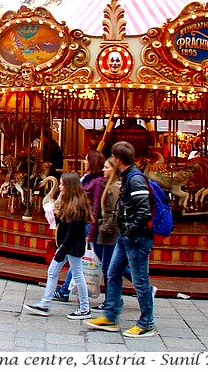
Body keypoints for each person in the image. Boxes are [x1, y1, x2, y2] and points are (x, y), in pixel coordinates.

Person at [86, 141, 156, 338]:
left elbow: (143, 211)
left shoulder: (135, 180)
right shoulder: (127, 178)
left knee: (140, 281)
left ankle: (146, 323)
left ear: (118, 159)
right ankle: (110, 316)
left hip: (136, 238)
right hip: (125, 237)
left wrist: (129, 231)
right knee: (112, 272)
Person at [23, 172, 92, 320]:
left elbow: (72, 233)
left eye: (62, 184)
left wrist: (62, 250)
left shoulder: (77, 207)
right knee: (53, 271)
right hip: (67, 246)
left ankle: (84, 307)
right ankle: (45, 304)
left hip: (71, 247)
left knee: (77, 274)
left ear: (69, 186)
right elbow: (63, 225)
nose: (60, 187)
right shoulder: (68, 203)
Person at [53, 150, 105, 302]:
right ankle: (65, 291)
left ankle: (67, 293)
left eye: (86, 159)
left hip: (88, 224)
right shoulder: (88, 178)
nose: (84, 161)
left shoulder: (96, 181)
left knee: (86, 260)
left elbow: (94, 207)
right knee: (80, 260)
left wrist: (92, 229)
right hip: (85, 222)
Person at [92, 156, 123, 311]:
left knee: (109, 267)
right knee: (110, 266)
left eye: (107, 167)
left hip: (110, 231)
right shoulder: (108, 185)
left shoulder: (113, 188)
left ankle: (112, 300)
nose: (103, 170)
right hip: (106, 229)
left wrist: (105, 227)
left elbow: (115, 212)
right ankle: (114, 298)